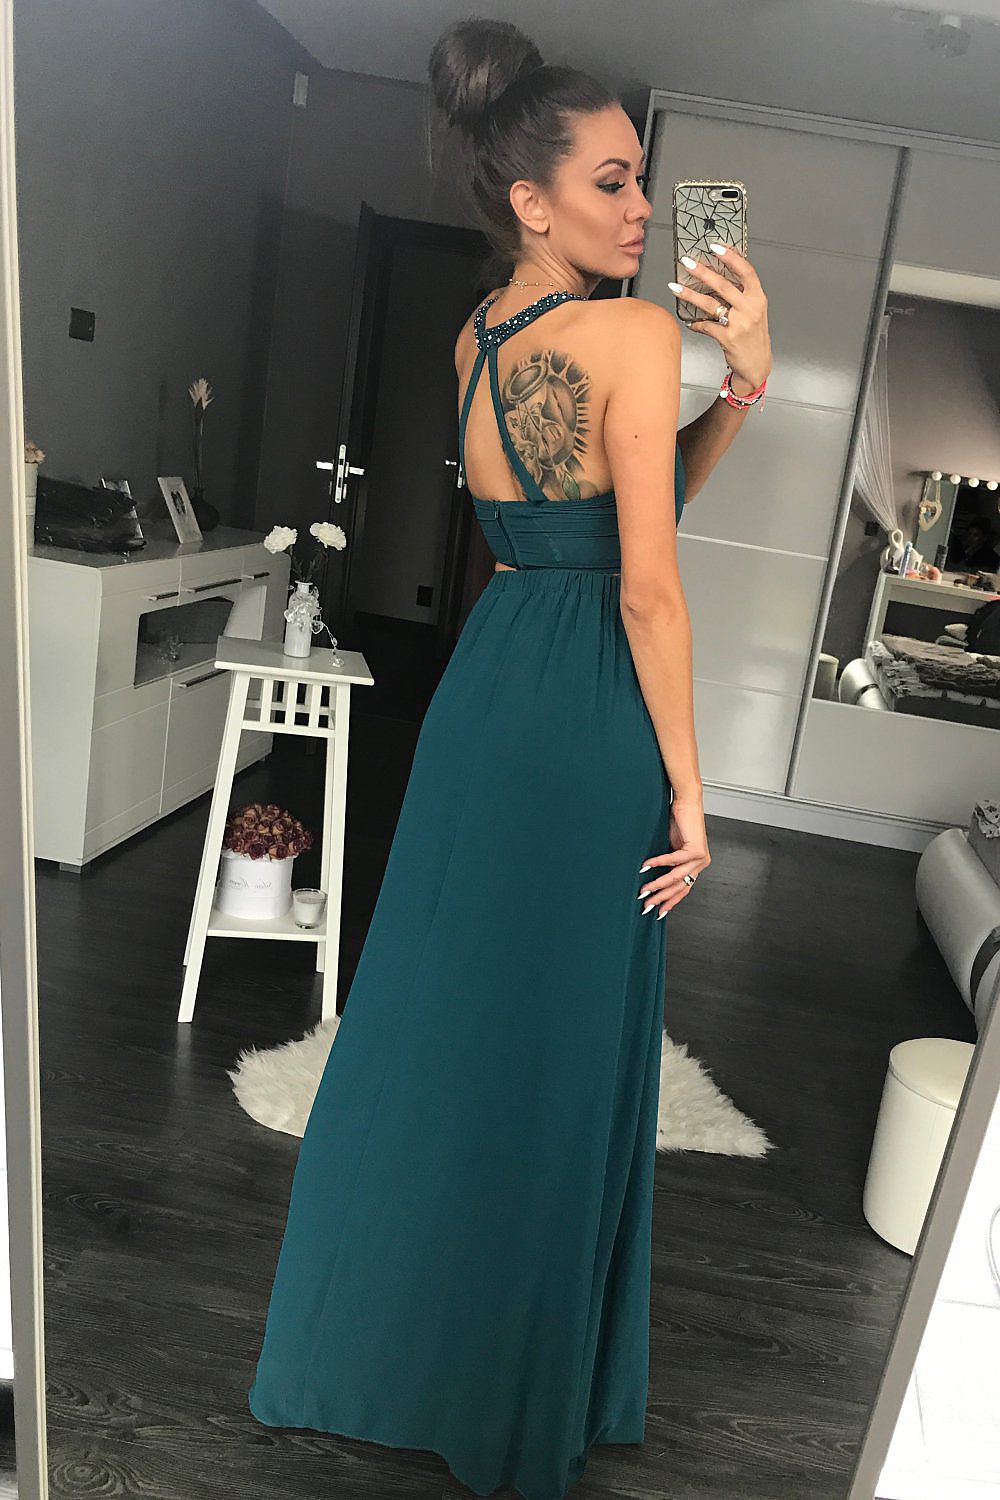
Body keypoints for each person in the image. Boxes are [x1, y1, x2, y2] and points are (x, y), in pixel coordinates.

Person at [247, 18, 772, 1500]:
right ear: (531, 199)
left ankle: (362, 1349)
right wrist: (692, 790)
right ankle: (517, 1392)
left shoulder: (481, 333)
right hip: (590, 703)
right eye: (611, 183)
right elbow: (649, 587)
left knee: (441, 1019)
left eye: (643, 180)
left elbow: (604, 518)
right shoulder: (630, 337)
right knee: (562, 1043)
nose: (641, 208)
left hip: (493, 688)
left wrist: (737, 391)